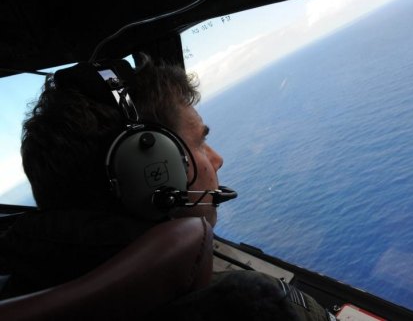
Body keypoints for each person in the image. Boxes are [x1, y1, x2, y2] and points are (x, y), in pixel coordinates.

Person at [0, 57, 333, 321]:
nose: (217, 159)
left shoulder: (18, 286)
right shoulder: (246, 305)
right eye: (200, 141)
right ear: (150, 171)